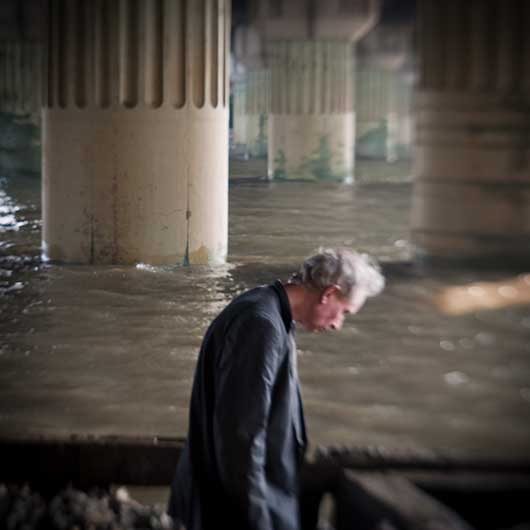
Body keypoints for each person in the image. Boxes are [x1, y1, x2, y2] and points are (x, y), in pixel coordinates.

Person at [167, 248, 385, 530]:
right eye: (344, 312)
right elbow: (241, 440)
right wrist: (258, 519)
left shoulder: (268, 309)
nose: (337, 324)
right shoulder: (261, 323)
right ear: (329, 293)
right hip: (232, 511)